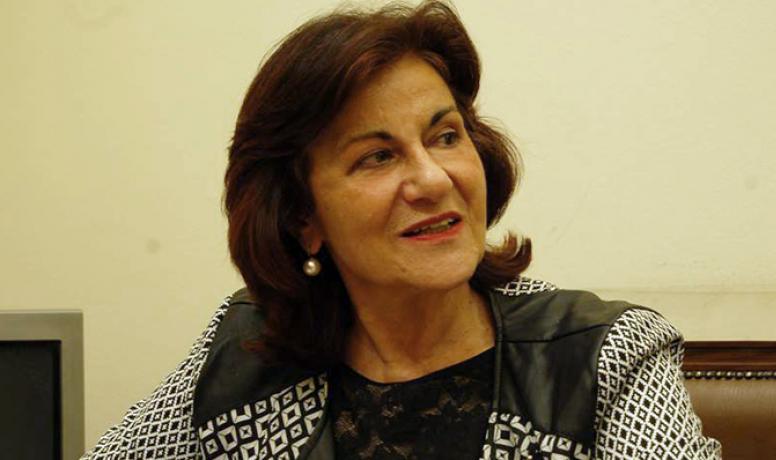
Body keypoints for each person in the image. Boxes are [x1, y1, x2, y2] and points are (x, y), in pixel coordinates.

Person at [82, 1, 721, 459]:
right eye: (378, 156)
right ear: (303, 217)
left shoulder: (604, 359)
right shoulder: (248, 351)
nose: (433, 179)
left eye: (445, 136)